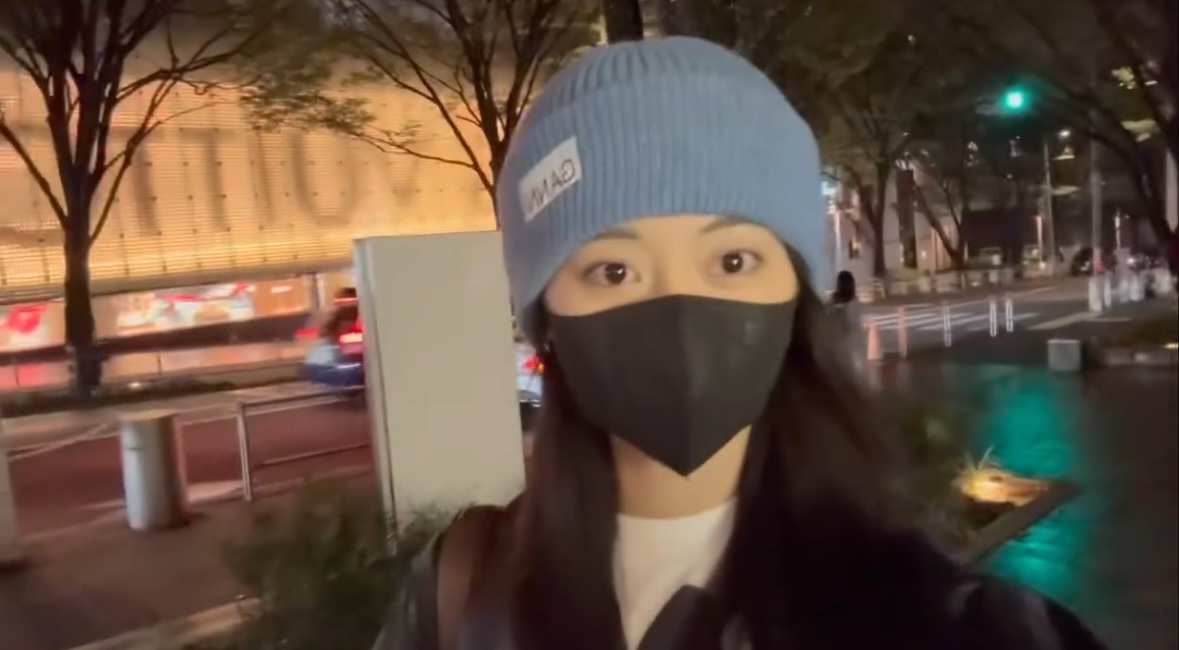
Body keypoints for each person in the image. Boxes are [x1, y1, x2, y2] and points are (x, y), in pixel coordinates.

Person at [375, 37, 1106, 650]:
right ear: (547, 319)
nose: (678, 312)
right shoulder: (459, 597)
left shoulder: (962, 627)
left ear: (794, 299)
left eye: (731, 261)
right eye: (613, 270)